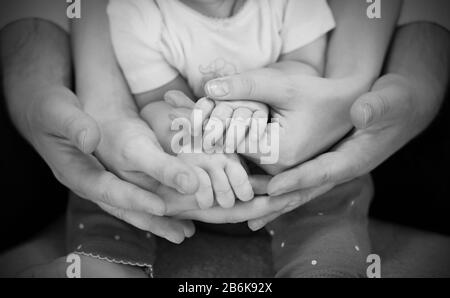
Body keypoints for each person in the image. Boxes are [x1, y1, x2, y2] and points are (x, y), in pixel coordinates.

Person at [0, 0, 448, 277]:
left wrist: (256, 97)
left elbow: (305, 65)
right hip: (181, 175)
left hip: (282, 154)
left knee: (334, 187)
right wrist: (182, 140)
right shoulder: (138, 12)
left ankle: (326, 267)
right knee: (109, 185)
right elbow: (154, 100)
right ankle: (103, 264)